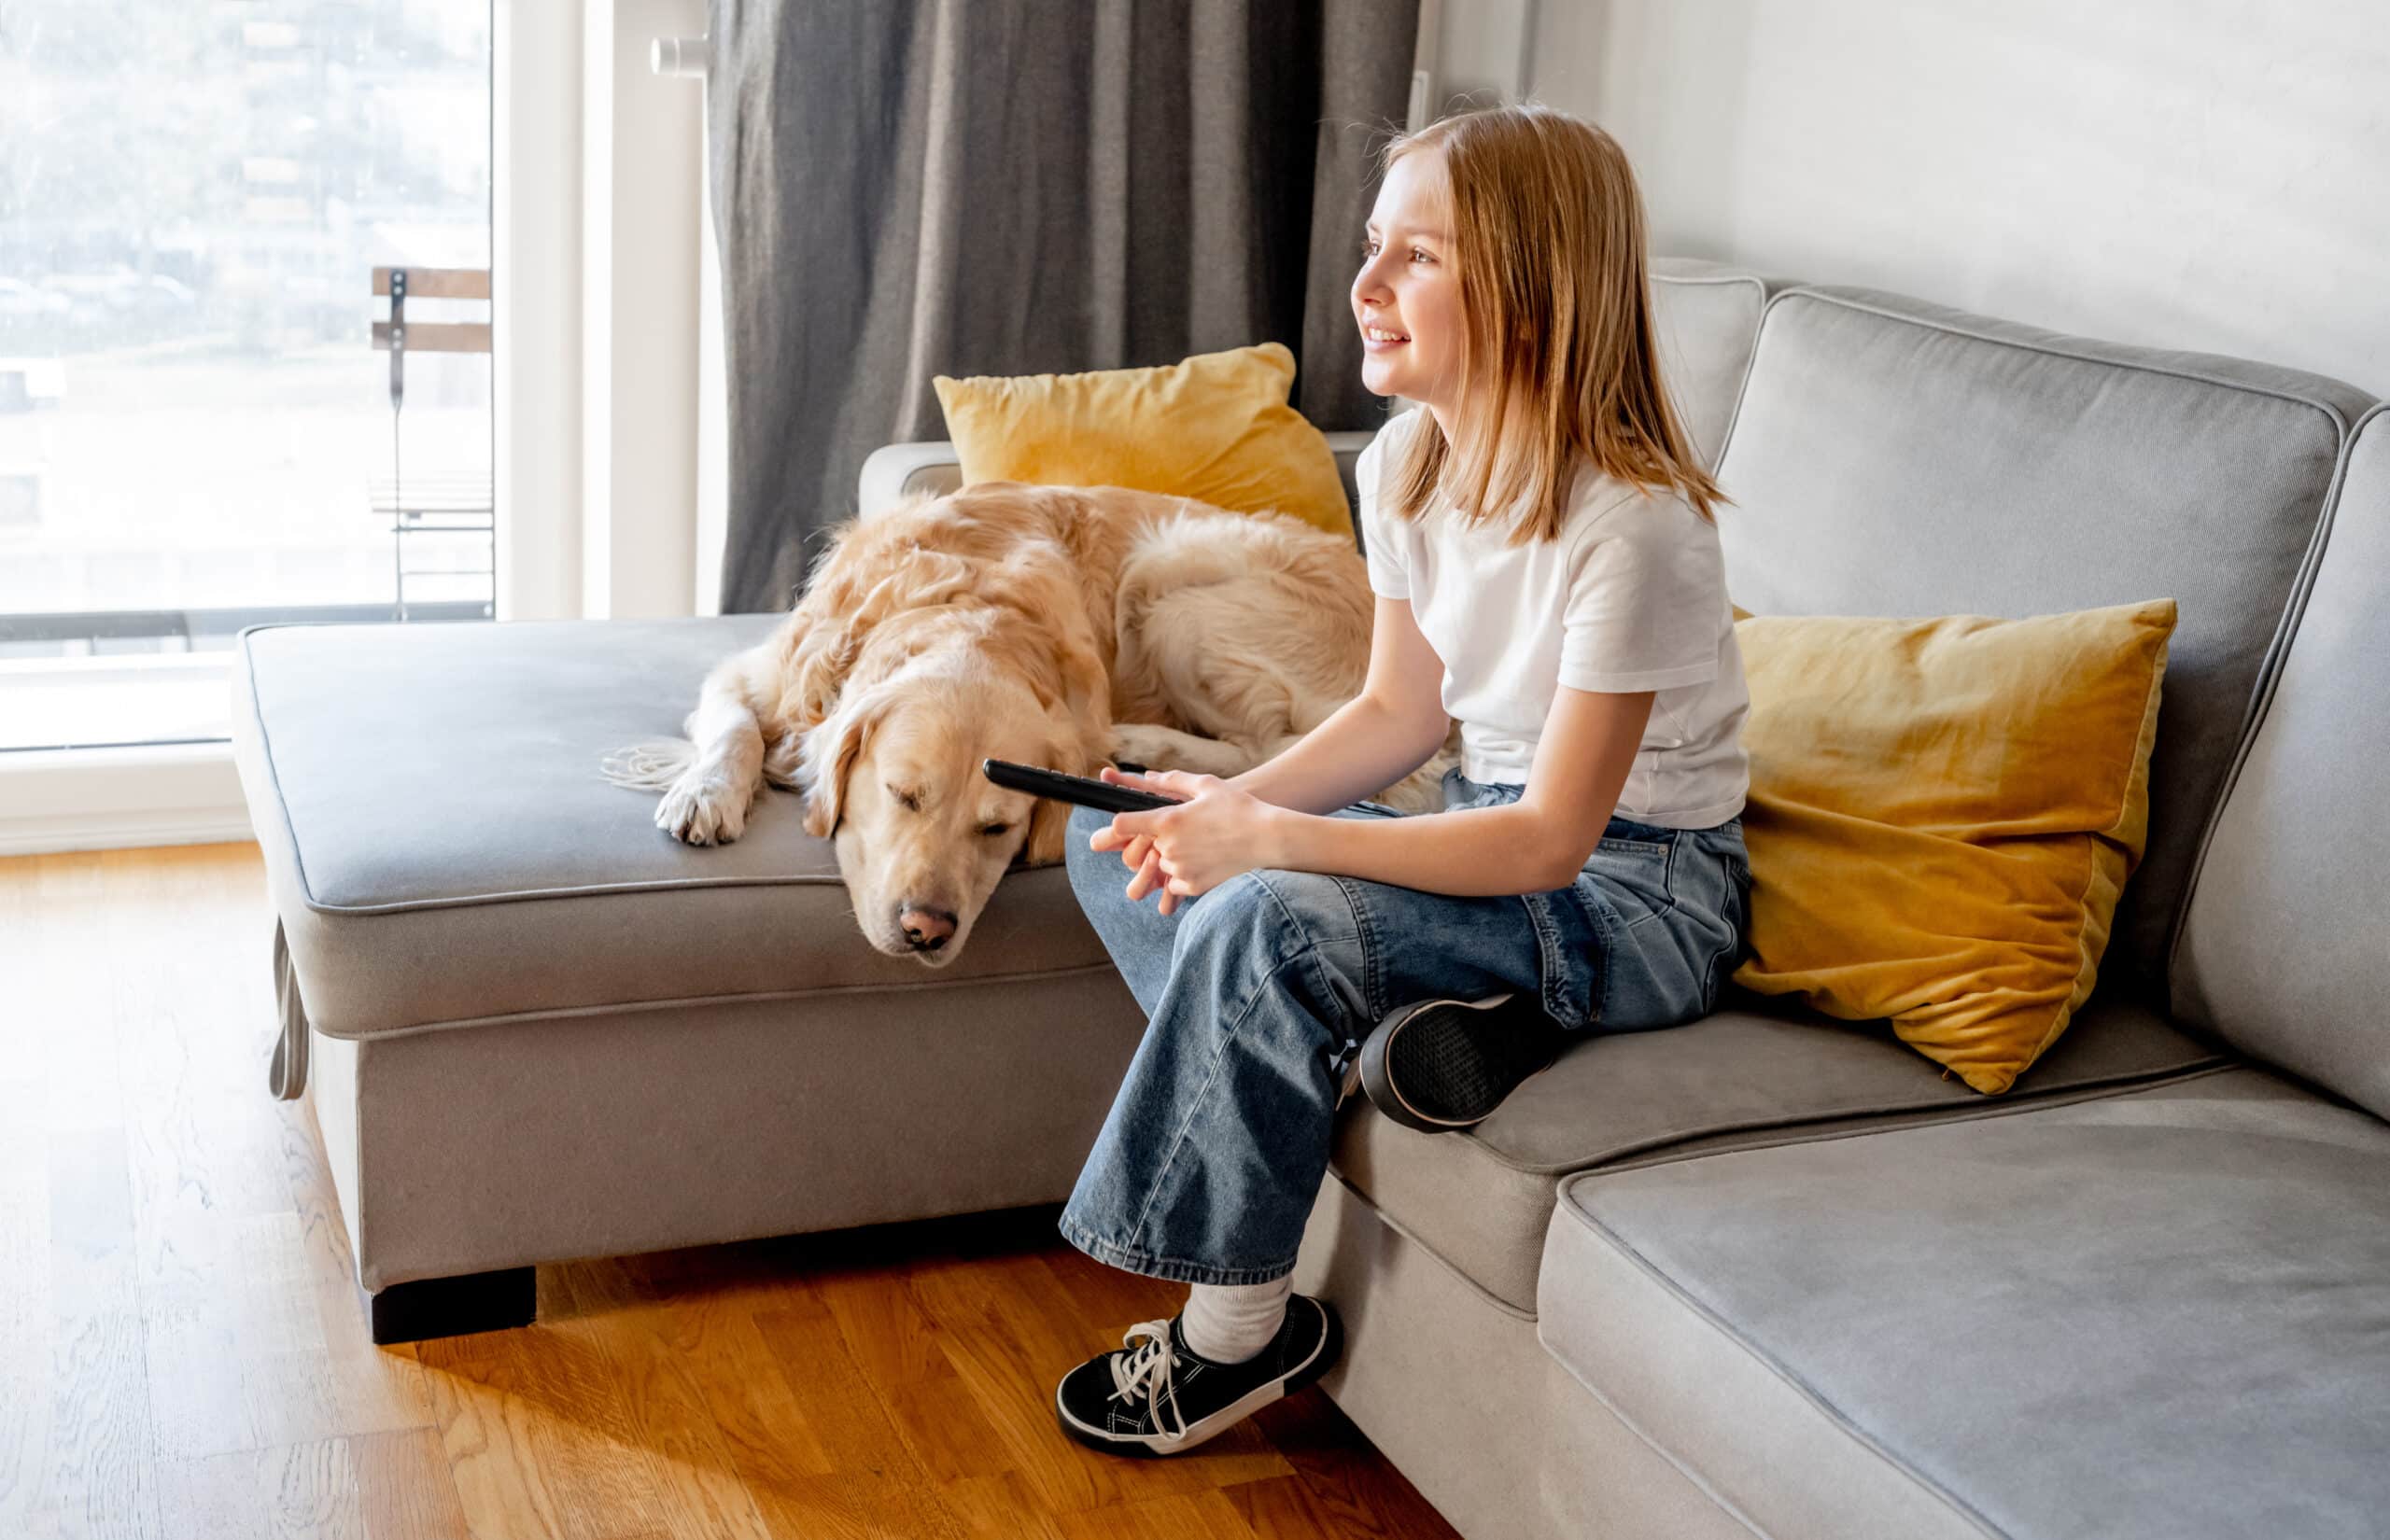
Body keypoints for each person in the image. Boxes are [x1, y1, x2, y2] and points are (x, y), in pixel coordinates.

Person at [1049, 103, 1754, 1458]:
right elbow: (1396, 711)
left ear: (1534, 296)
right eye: (1375, 249)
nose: (1365, 287)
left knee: (1261, 915)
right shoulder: (1406, 470)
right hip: (1497, 844)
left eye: (1415, 258)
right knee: (1131, 832)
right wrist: (1229, 809)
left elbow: (1555, 838)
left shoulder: (1637, 525)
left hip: (1648, 893)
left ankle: (1237, 1329)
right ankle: (1467, 1014)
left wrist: (1275, 845)